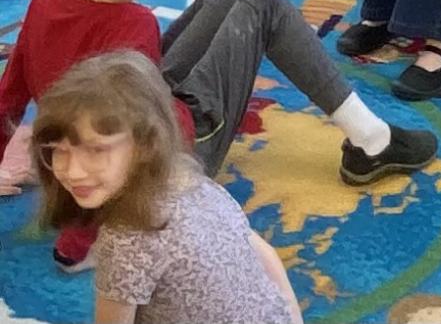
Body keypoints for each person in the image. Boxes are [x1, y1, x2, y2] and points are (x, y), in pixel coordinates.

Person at [0, 0, 437, 270]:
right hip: (170, 153)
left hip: (122, 111)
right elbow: (132, 146)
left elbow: (13, 88)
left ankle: (370, 139)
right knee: (263, 5)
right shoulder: (133, 27)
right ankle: (372, 140)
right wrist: (79, 239)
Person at [34, 50, 302, 324]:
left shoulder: (126, 240)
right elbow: (267, 256)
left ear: (145, 146)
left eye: (96, 150)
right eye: (58, 150)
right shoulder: (192, 181)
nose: (72, 171)